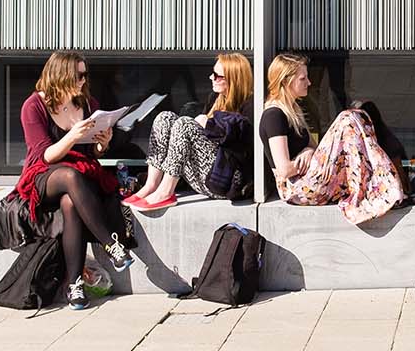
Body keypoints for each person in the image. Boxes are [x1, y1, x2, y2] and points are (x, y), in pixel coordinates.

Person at [15, 51, 134, 310]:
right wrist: (71, 136)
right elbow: (44, 155)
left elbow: (92, 153)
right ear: (61, 75)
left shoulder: (87, 103)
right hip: (45, 175)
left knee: (70, 203)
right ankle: (111, 244)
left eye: (85, 74)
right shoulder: (34, 106)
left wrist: (103, 144)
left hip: (80, 175)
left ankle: (75, 285)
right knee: (69, 176)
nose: (82, 80)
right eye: (78, 75)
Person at [260, 53, 403, 225]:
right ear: (286, 81)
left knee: (360, 114)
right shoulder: (274, 115)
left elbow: (315, 149)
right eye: (303, 79)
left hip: (309, 179)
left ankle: (378, 184)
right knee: (346, 118)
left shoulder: (293, 110)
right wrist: (308, 158)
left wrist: (308, 151)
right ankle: (381, 185)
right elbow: (284, 169)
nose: (309, 83)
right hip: (296, 188)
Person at [126, 53, 255, 210]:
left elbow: (244, 150)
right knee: (164, 118)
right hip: (200, 174)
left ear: (233, 79)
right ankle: (152, 185)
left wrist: (209, 126)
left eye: (216, 75)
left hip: (225, 180)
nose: (210, 77)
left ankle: (166, 191)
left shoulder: (250, 106)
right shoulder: (215, 98)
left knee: (185, 123)